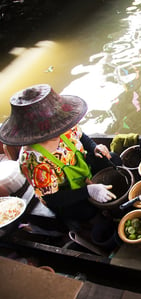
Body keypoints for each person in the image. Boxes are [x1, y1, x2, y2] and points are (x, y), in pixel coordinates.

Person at [0, 84, 122, 225]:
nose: (58, 131)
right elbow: (53, 197)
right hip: (64, 193)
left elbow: (83, 137)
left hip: (83, 170)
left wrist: (95, 147)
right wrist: (88, 191)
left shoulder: (63, 125)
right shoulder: (33, 160)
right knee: (87, 211)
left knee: (113, 160)